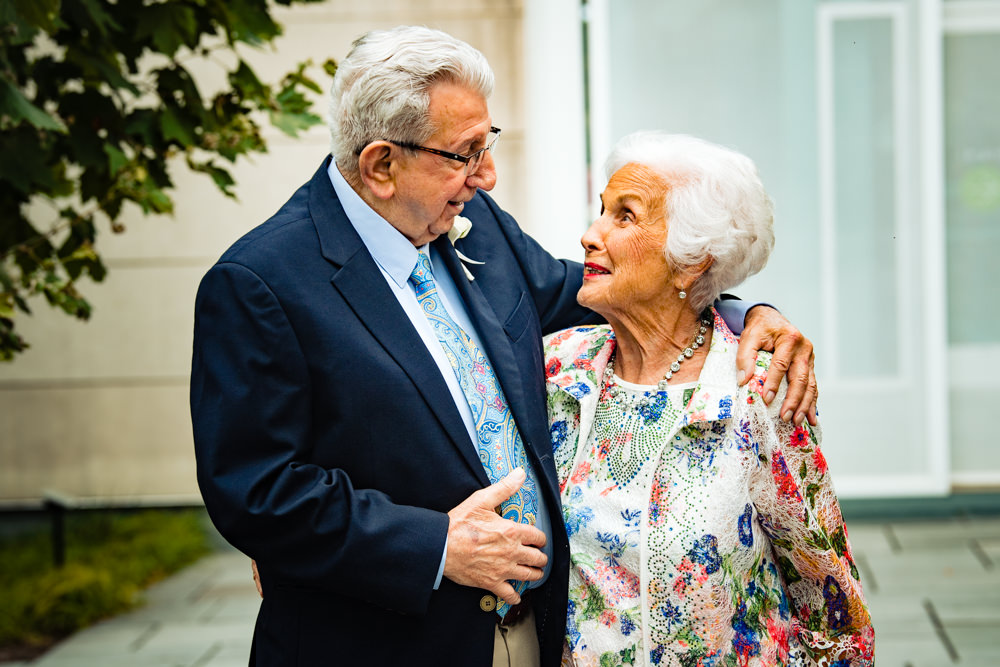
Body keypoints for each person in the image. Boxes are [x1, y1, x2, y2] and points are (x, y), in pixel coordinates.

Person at [190, 26, 817, 667]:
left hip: (533, 637)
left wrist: (743, 310)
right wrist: (435, 545)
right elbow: (256, 491)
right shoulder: (259, 284)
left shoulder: (472, 224)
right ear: (382, 166)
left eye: (486, 144)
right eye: (464, 154)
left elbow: (609, 289)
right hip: (389, 646)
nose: (486, 177)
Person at [543, 132, 873, 666]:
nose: (588, 235)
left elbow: (830, 600)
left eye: (624, 217)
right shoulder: (556, 369)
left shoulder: (757, 392)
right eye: (601, 211)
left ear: (693, 260)